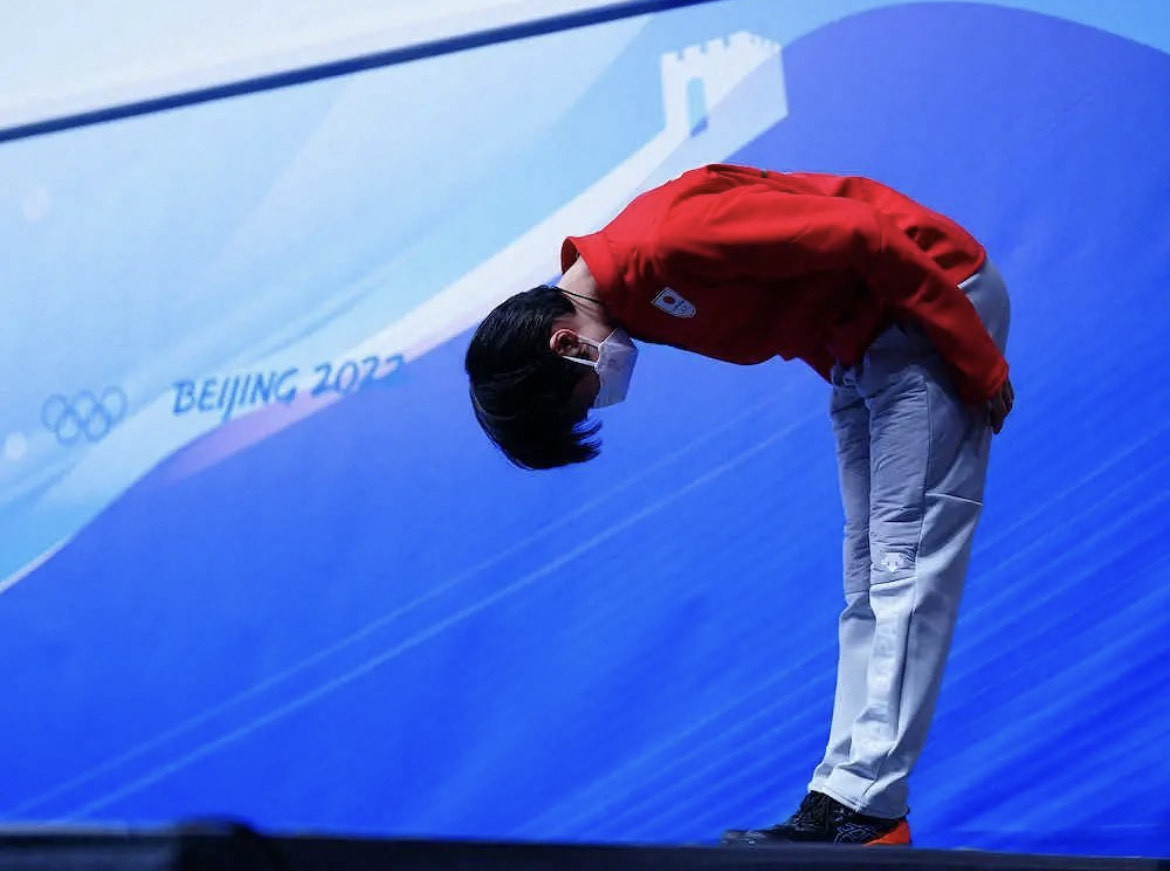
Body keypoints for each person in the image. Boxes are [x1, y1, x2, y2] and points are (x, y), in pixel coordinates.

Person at [464, 163, 1013, 846]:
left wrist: (977, 359)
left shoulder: (666, 243)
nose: (603, 398)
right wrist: (849, 368)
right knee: (868, 578)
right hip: (866, 348)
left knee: (905, 565)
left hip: (933, 300)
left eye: (585, 397)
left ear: (568, 344)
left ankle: (871, 805)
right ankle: (841, 794)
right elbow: (798, 297)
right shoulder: (636, 298)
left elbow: (864, 234)